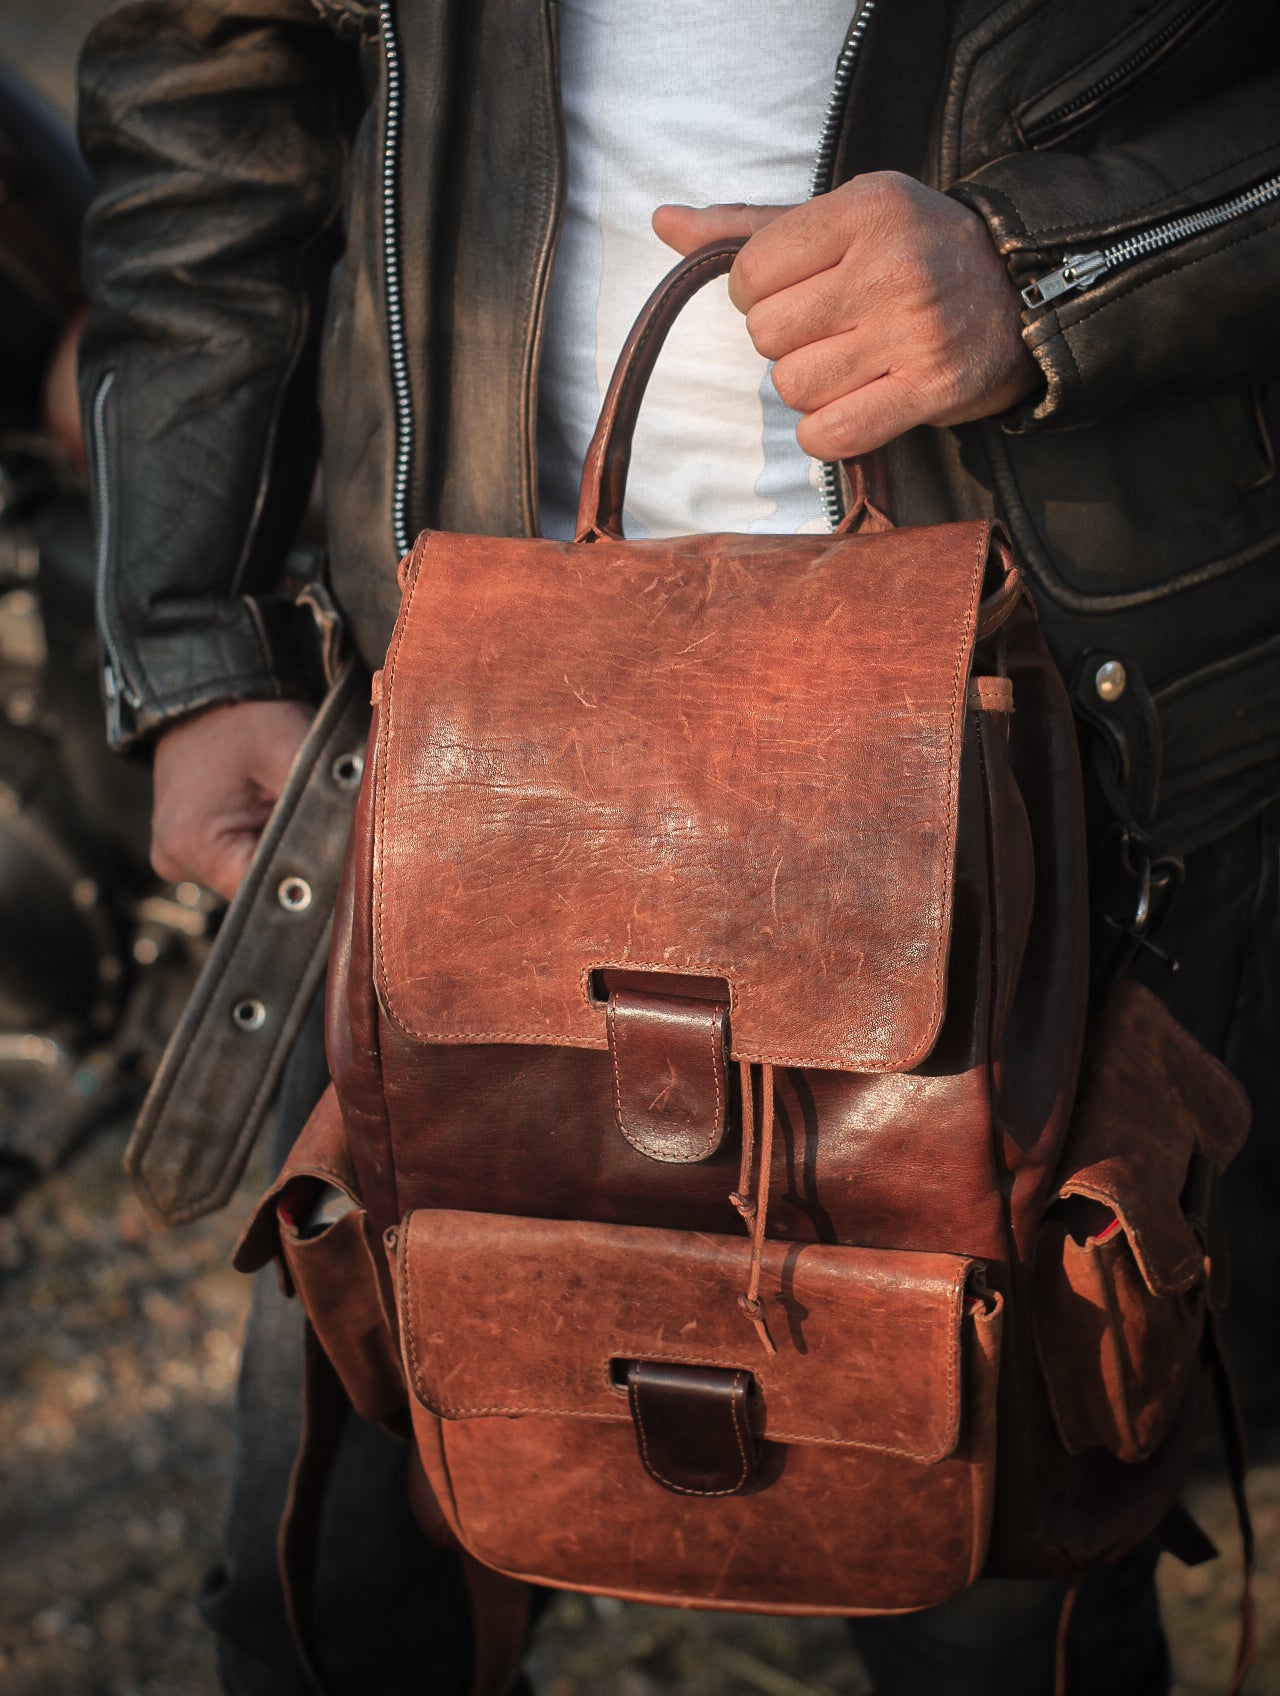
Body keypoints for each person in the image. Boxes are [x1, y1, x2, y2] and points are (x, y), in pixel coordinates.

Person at [76, 2, 1280, 1692]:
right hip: (465, 730)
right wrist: (198, 636)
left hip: (1007, 742)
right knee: (342, 1571)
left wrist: (1057, 271)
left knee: (995, 1570)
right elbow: (211, 74)